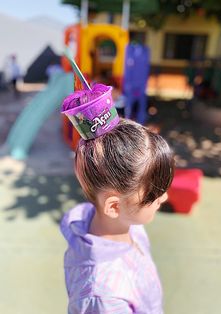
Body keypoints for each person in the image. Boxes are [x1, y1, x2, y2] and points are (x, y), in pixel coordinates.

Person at [60, 84, 174, 313]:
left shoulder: (129, 224)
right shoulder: (103, 298)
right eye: (154, 193)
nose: (165, 197)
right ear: (113, 206)